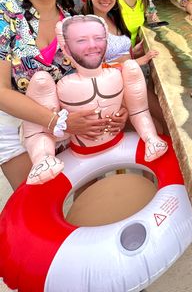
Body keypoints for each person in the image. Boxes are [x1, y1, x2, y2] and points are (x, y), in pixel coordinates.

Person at [0, 0, 124, 190]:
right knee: (37, 202)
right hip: (17, 128)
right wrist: (58, 122)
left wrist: (117, 111)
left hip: (67, 121)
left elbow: (89, 76)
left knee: (85, 194)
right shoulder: (6, 15)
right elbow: (1, 92)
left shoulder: (70, 22)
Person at [22, 15, 168, 184]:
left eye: (98, 39)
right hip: (73, 148)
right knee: (41, 82)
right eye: (82, 40)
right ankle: (43, 159)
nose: (92, 45)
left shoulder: (115, 72)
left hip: (117, 140)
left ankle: (150, 151)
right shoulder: (61, 85)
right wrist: (61, 124)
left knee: (132, 70)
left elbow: (138, 108)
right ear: (66, 47)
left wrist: (124, 111)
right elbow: (39, 131)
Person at [81, 0, 157, 65]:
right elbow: (94, 69)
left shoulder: (113, 16)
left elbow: (116, 56)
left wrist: (134, 52)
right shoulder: (84, 28)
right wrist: (138, 62)